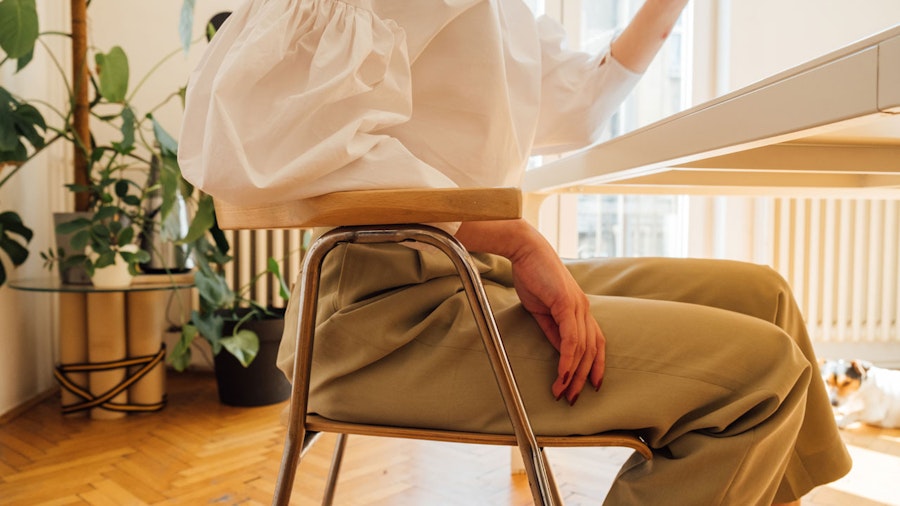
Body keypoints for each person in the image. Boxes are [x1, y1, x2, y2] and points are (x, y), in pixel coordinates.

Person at [178, 0, 852, 503]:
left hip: (470, 277)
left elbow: (579, 105)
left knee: (764, 297)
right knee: (763, 374)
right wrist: (511, 235)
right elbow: (249, 139)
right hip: (377, 320)